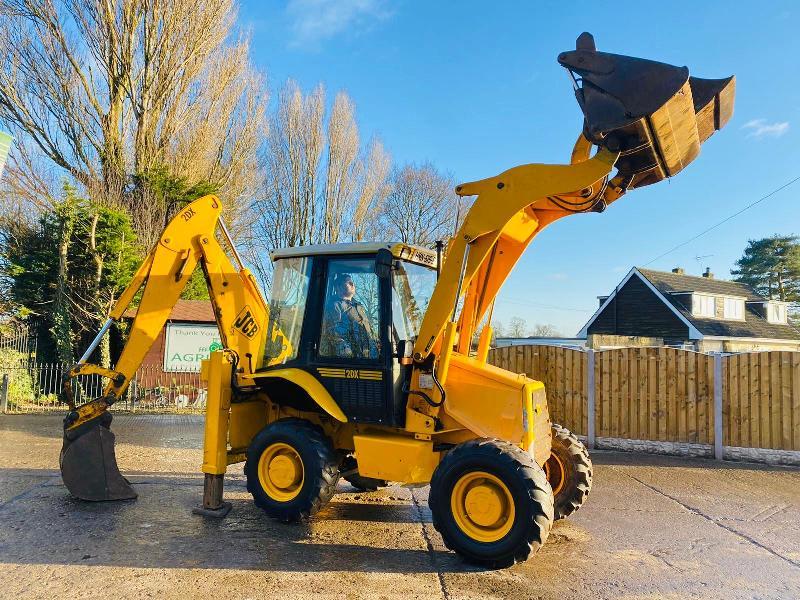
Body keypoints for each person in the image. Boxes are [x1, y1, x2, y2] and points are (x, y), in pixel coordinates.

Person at [321, 273, 378, 358]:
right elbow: (333, 333)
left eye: (352, 282)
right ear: (338, 288)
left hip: (367, 357)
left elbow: (369, 330)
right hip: (349, 360)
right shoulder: (334, 305)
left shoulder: (358, 306)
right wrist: (348, 355)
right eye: (348, 282)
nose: (353, 284)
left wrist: (375, 347)